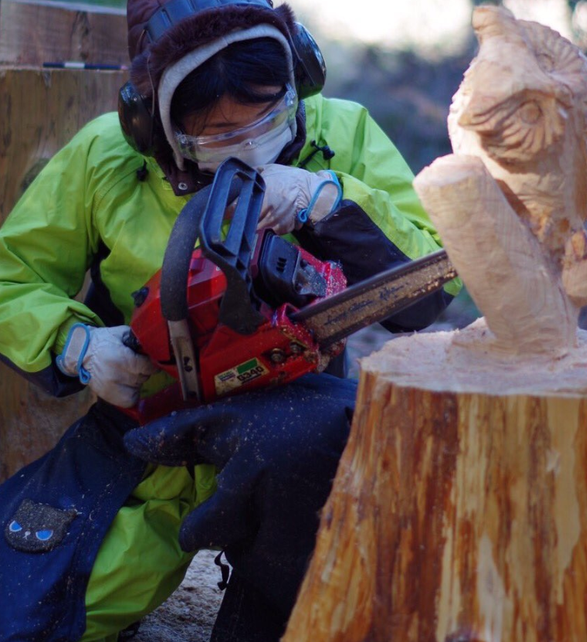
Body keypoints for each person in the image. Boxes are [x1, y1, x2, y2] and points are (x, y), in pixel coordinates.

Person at [0, 0, 460, 640]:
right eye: (220, 133)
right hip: (149, 418)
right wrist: (74, 343)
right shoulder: (107, 158)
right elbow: (11, 275)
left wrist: (328, 200)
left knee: (314, 445)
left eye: (267, 116)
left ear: (296, 79)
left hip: (294, 418)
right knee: (26, 610)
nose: (248, 143)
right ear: (157, 126)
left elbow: (433, 277)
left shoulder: (341, 132)